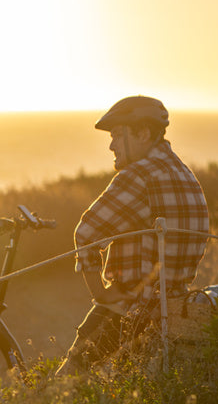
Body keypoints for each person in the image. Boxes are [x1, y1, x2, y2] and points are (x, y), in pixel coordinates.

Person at [55, 96, 209, 377]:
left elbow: (86, 233)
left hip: (129, 310)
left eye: (116, 135)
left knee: (66, 385)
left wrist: (100, 293)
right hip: (178, 309)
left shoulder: (138, 175)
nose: (111, 145)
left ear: (143, 133)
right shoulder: (188, 177)